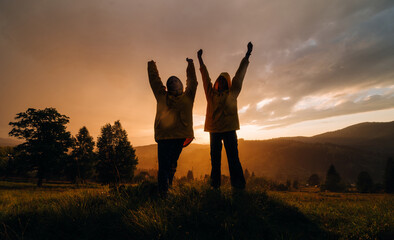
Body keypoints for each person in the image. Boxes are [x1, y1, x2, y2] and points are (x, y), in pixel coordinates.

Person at [197, 42, 253, 189]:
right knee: (215, 161)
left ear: (227, 83)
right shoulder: (211, 95)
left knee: (233, 159)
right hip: (214, 131)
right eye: (219, 80)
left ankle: (239, 187)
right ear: (216, 82)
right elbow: (205, 78)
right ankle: (215, 187)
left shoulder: (232, 93)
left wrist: (247, 56)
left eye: (223, 80)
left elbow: (239, 76)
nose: (220, 82)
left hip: (229, 130)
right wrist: (200, 61)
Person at [148, 58, 198, 196]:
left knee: (171, 164)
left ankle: (167, 188)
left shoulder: (188, 97)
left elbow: (193, 82)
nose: (174, 83)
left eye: (176, 81)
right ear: (168, 87)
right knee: (164, 165)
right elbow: (154, 81)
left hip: (179, 136)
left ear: (181, 85)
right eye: (171, 82)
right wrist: (152, 65)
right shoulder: (162, 96)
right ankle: (164, 192)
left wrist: (190, 65)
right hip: (165, 137)